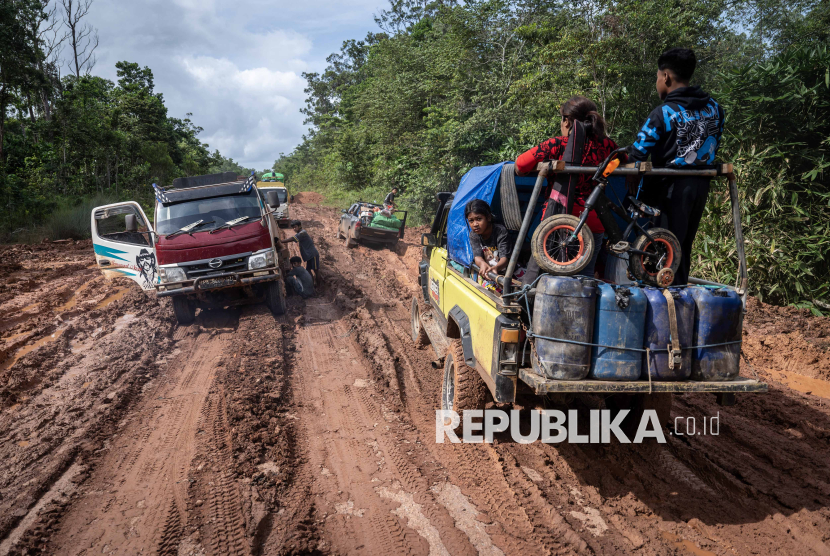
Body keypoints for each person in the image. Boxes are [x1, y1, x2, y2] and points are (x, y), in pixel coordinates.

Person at [628, 47, 725, 285]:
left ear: (666, 77)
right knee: (683, 246)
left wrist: (632, 192)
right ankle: (680, 296)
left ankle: (660, 302)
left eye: (657, 77)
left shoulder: (663, 113)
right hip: (700, 188)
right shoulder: (715, 108)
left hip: (668, 190)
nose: (658, 82)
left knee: (661, 247)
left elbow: (636, 154)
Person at [515, 95, 623, 278]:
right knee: (586, 277)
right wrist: (604, 173)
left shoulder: (557, 144)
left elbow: (520, 164)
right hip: (594, 221)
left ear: (566, 121)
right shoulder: (607, 145)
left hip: (559, 220)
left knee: (552, 276)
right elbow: (620, 160)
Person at [466, 199, 511, 278]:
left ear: (488, 218)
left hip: (505, 272)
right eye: (471, 221)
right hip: (488, 272)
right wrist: (482, 264)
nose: (475, 224)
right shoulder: (474, 235)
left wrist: (496, 268)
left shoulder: (500, 231)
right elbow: (477, 257)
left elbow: (505, 258)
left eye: (479, 219)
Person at [283, 220, 321, 287]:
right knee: (308, 270)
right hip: (309, 256)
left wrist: (282, 241)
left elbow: (293, 238)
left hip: (313, 254)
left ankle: (319, 286)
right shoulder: (301, 233)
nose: (294, 229)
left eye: (295, 227)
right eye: (293, 228)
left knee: (316, 270)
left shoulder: (302, 233)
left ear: (299, 226)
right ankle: (312, 285)